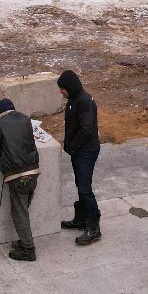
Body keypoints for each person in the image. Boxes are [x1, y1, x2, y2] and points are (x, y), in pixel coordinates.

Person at [0, 98, 40, 262]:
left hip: (17, 175)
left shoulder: (0, 124)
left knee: (19, 212)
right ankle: (25, 240)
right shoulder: (25, 119)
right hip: (34, 171)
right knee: (23, 210)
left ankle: (28, 249)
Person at [56, 69, 101, 245]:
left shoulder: (84, 102)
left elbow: (87, 129)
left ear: (70, 87)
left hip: (86, 152)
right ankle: (81, 218)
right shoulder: (73, 100)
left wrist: (73, 146)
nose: (60, 91)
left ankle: (94, 226)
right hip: (79, 151)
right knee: (80, 185)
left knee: (84, 188)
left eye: (62, 88)